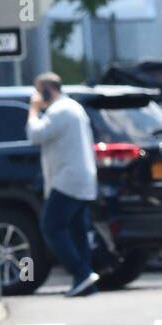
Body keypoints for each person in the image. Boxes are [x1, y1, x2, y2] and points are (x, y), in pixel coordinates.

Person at [26, 72, 100, 297]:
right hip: (81, 179)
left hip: (67, 180)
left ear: (48, 90)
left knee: (51, 226)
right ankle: (86, 280)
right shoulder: (74, 107)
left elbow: (35, 134)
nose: (37, 96)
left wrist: (33, 109)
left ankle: (81, 272)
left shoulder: (59, 110)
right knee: (78, 230)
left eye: (39, 91)